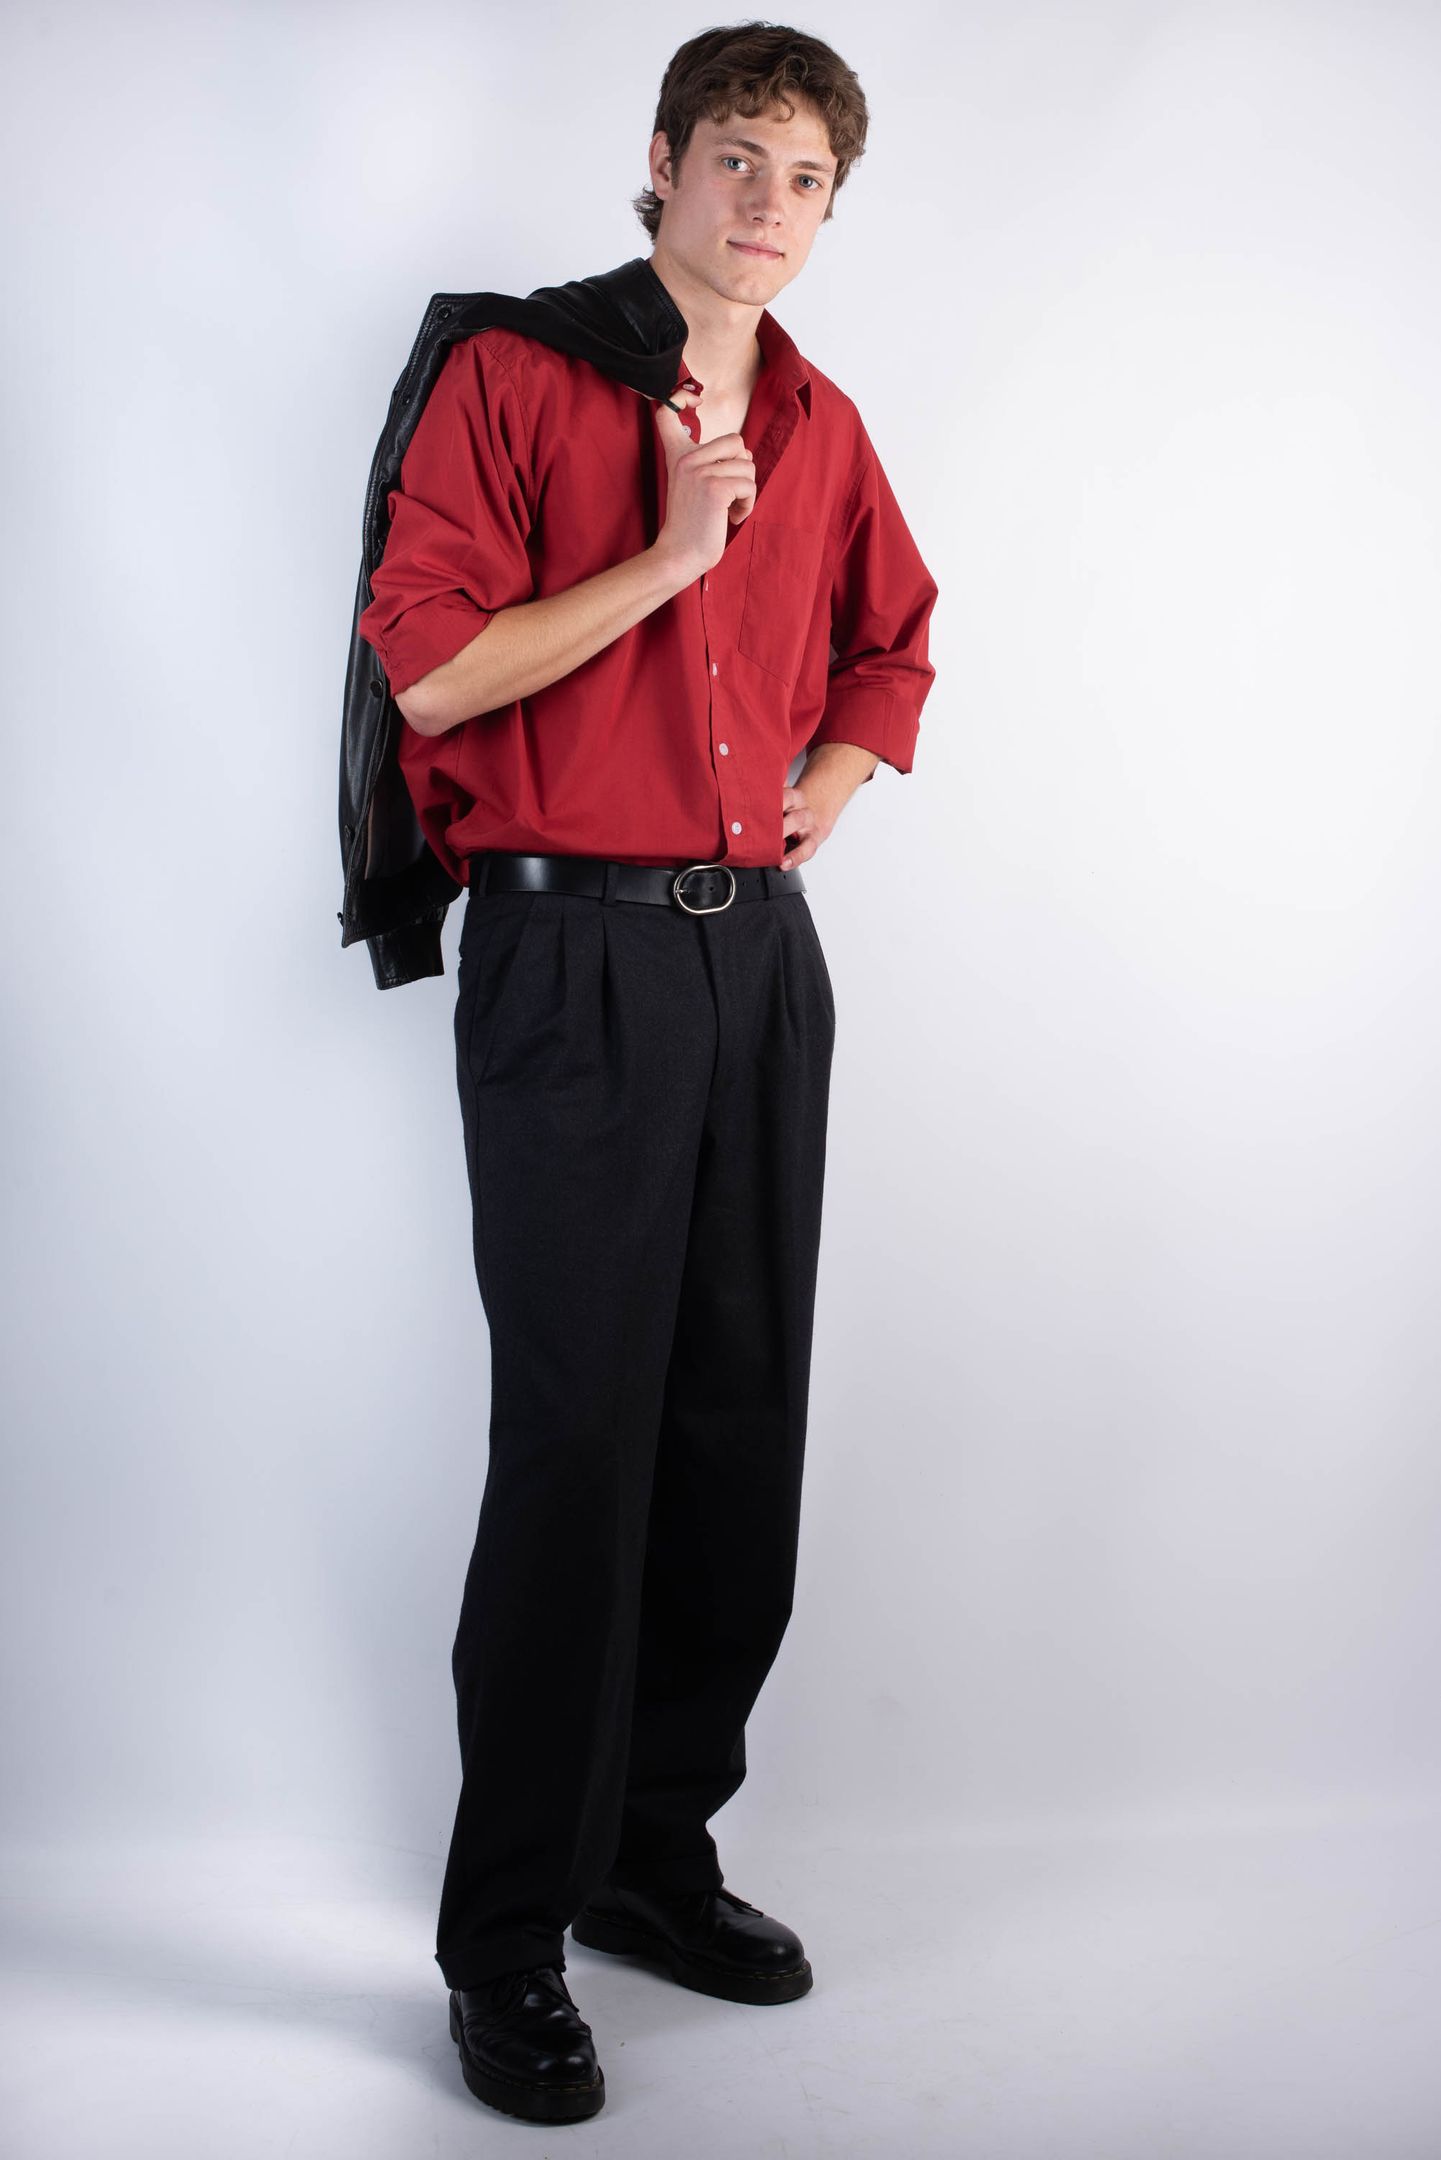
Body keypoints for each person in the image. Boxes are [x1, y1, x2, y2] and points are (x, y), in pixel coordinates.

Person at [357, 22, 938, 2127]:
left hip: (753, 960)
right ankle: (505, 1938)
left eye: (806, 178)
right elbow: (434, 668)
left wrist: (822, 795)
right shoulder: (517, 378)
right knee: (577, 1448)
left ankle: (645, 1854)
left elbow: (894, 637)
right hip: (571, 957)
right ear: (667, 163)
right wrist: (674, 560)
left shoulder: (823, 419)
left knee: (731, 1428)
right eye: (738, 158)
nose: (767, 205)